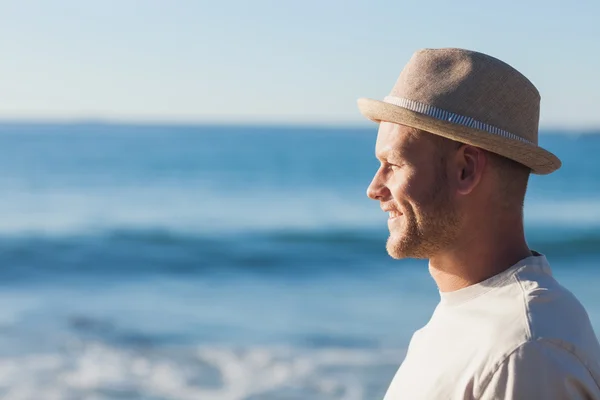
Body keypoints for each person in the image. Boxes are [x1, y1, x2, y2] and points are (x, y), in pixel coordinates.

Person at [357, 48, 600, 399]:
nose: (374, 189)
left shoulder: (525, 350)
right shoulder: (469, 318)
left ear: (465, 170)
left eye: (393, 164)